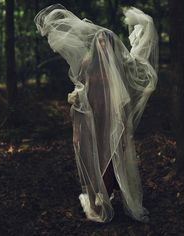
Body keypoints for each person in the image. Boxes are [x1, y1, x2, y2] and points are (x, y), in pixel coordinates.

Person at [34, 4, 158, 223]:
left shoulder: (119, 65)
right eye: (98, 42)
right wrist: (75, 98)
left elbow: (128, 87)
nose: (101, 45)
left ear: (109, 46)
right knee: (89, 156)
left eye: (104, 43)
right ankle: (95, 199)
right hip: (89, 117)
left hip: (110, 119)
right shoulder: (87, 63)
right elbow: (81, 86)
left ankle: (107, 197)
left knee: (109, 158)